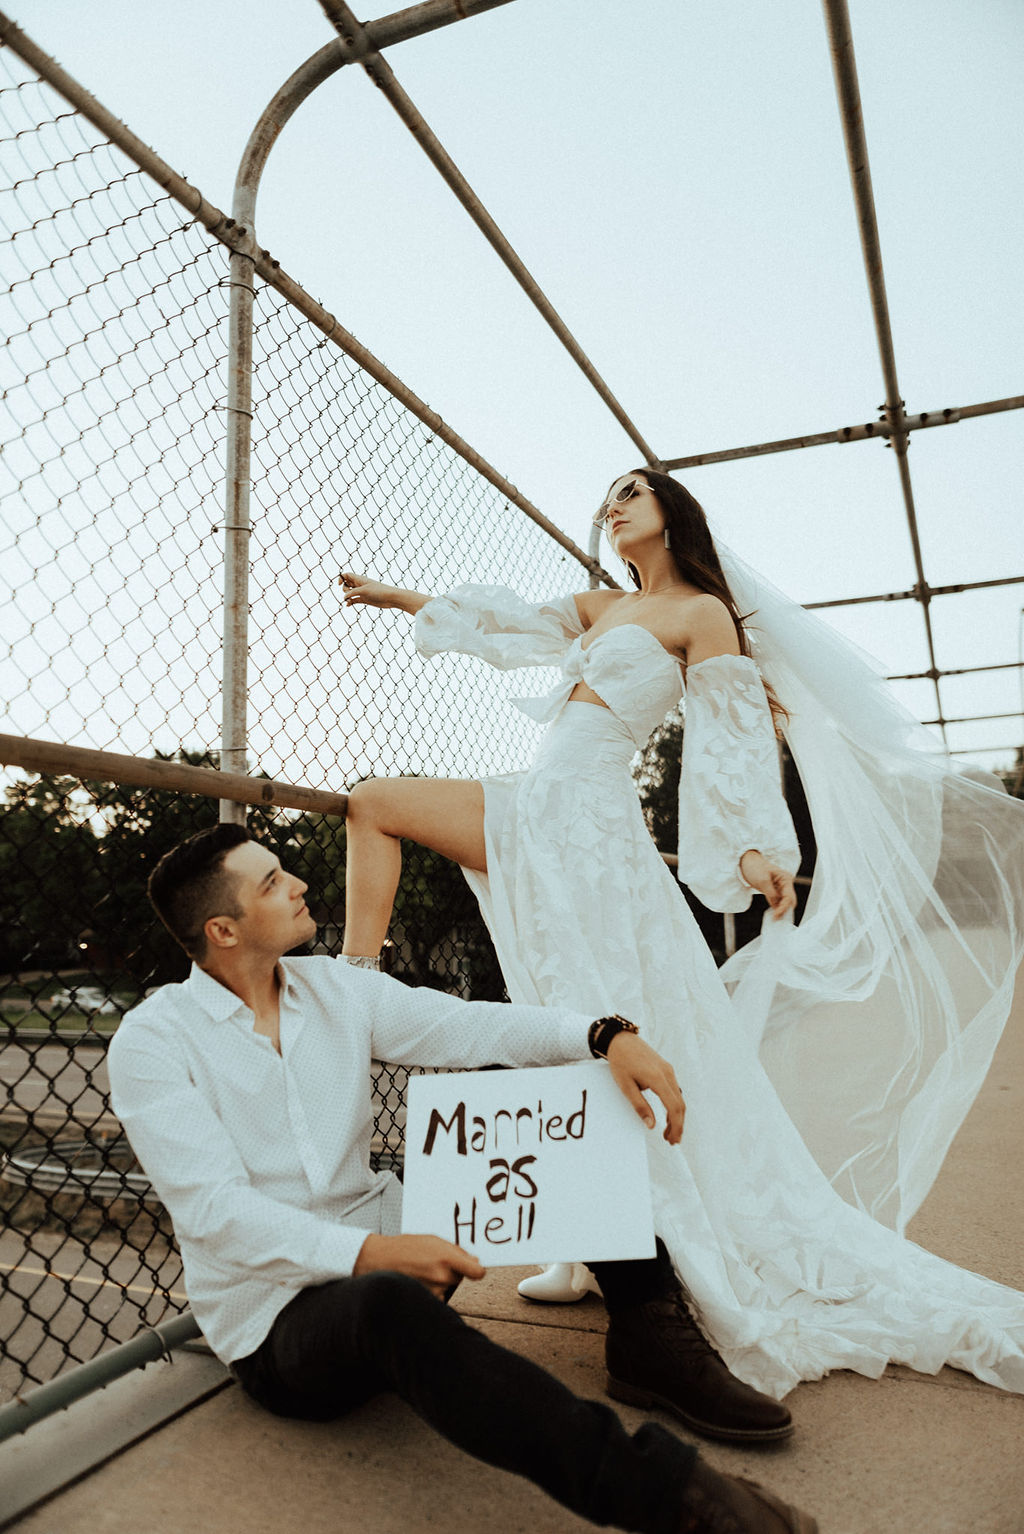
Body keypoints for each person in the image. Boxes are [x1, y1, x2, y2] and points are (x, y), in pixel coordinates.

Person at [337, 469, 1024, 1401]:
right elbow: (503, 627)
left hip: (588, 827)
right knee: (376, 808)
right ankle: (356, 985)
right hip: (538, 806)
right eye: (606, 500)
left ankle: (612, 1248)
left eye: (632, 493)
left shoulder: (702, 615)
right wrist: (400, 597)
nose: (613, 507)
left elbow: (732, 742)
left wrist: (750, 851)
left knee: (589, 1024)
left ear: (672, 513)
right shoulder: (600, 607)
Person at [107, 823, 817, 1534]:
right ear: (223, 931)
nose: (296, 883)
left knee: (569, 1126)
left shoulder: (334, 991)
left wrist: (605, 1037)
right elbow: (216, 1215)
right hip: (278, 1325)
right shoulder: (155, 1041)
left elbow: (472, 1028)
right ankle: (669, 1497)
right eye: (270, 882)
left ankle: (649, 1343)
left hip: (390, 1248)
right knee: (385, 1305)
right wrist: (373, 1255)